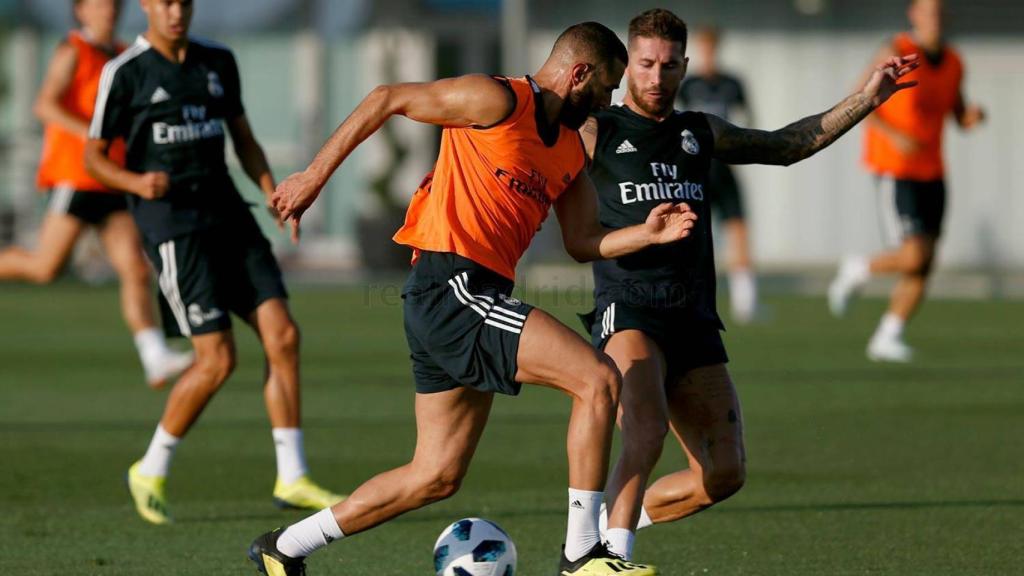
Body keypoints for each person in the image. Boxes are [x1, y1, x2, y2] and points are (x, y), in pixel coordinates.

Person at [249, 21, 703, 576]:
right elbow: (386, 98)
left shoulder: (568, 151)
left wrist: (647, 234)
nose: (607, 103)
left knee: (435, 475)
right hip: (451, 288)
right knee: (598, 379)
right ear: (579, 74)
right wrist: (313, 178)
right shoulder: (496, 100)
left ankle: (285, 546)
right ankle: (583, 553)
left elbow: (584, 241)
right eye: (605, 88)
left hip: (469, 298)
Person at [580, 8, 919, 561]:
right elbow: (529, 146)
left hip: (693, 317)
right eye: (645, 64)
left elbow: (787, 145)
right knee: (645, 428)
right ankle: (607, 557)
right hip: (630, 306)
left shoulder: (699, 131)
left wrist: (867, 98)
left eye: (669, 65)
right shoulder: (597, 130)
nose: (657, 76)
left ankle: (609, 521)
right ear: (628, 65)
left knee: (723, 474)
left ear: (685, 66)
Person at [83, 0, 343, 525]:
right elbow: (93, 156)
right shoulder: (125, 73)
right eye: (165, 2)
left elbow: (243, 139)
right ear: (145, 5)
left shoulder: (218, 61)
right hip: (174, 228)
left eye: (184, 1)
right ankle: (150, 467)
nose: (176, 12)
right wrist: (135, 182)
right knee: (217, 360)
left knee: (283, 335)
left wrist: (273, 193)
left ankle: (292, 475)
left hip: (229, 216)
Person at [0, 0, 192, 388]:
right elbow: (45, 105)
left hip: (113, 177)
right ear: (81, 11)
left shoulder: (124, 54)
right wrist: (90, 133)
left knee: (135, 267)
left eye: (113, 4)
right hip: (76, 176)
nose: (109, 10)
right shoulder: (73, 50)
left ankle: (154, 355)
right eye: (99, 4)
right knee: (45, 267)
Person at [828, 0, 984, 362]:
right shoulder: (896, 49)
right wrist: (894, 135)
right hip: (896, 168)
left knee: (925, 262)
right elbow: (859, 100)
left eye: (939, 12)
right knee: (914, 255)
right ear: (913, 14)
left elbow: (959, 115)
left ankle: (888, 335)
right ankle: (857, 268)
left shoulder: (954, 62)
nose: (934, 19)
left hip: (933, 171)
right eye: (927, 11)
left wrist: (974, 116)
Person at [678, 26, 759, 324]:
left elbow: (747, 118)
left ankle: (745, 301)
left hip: (723, 165)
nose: (709, 53)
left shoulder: (732, 83)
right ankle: (686, 295)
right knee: (690, 231)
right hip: (697, 168)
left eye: (712, 47)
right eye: (704, 47)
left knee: (738, 228)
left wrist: (739, 147)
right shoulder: (689, 84)